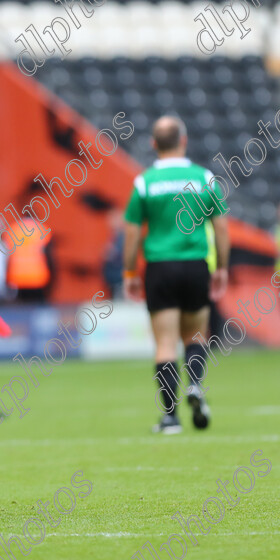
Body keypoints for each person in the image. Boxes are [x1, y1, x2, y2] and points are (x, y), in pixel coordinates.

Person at [123, 116, 229, 434]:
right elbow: (221, 229)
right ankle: (195, 384)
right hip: (196, 264)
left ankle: (171, 417)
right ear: (184, 141)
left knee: (165, 343)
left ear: (154, 144)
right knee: (196, 335)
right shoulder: (205, 178)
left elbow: (131, 233)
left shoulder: (144, 183)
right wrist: (221, 267)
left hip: (160, 267)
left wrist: (129, 270)